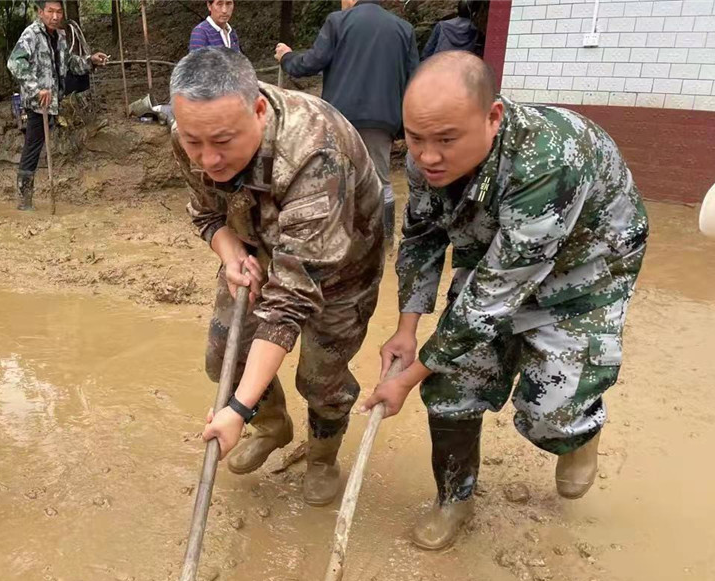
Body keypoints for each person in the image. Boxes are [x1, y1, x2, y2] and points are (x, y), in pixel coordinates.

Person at [363, 52, 648, 551]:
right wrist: (407, 330)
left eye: (446, 140)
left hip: (586, 270)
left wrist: (406, 379)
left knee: (549, 409)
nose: (427, 156)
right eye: (416, 137)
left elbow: (492, 297)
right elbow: (423, 237)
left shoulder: (550, 160)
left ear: (492, 117)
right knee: (452, 384)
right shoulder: (426, 152)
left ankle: (576, 433)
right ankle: (455, 497)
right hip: (496, 249)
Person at [170, 48, 385, 506]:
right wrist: (229, 252)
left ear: (260, 110)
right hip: (258, 251)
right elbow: (207, 214)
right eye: (194, 143)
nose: (207, 158)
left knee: (320, 378)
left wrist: (235, 410)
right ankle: (273, 425)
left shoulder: (314, 151)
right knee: (222, 357)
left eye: (223, 142)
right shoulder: (191, 132)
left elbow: (289, 301)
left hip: (340, 268)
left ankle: (323, 455)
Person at [275, 0, 417, 244]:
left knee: (336, 178)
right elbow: (414, 79)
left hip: (339, 118)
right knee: (380, 180)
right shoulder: (403, 29)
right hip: (382, 120)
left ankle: (337, 239)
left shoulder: (338, 22)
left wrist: (287, 57)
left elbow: (310, 63)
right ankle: (383, 240)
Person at [8, 0, 108, 211]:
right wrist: (36, 89)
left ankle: (26, 200)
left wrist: (91, 61)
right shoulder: (31, 35)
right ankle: (24, 201)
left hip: (53, 100)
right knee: (33, 148)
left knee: (35, 145)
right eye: (50, 11)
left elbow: (69, 63)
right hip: (38, 103)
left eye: (58, 12)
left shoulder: (60, 36)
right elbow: (15, 63)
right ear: (40, 12)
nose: (55, 16)